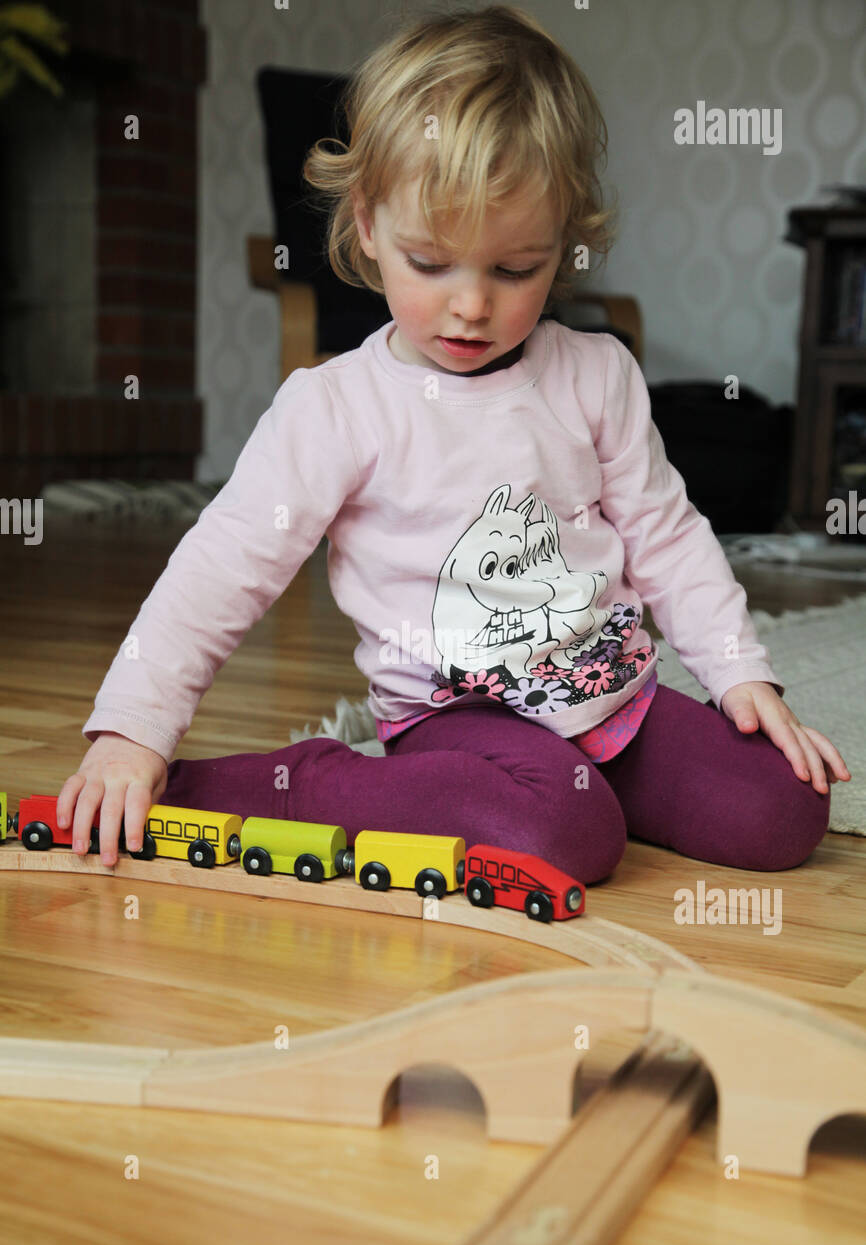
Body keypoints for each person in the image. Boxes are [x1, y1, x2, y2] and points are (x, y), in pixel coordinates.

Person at [58, 5, 848, 886]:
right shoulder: (335, 406)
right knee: (564, 831)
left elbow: (666, 536)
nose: (471, 305)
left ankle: (572, 788)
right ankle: (298, 786)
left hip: (611, 698)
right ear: (367, 226)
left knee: (788, 804)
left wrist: (743, 676)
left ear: (563, 249)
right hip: (457, 717)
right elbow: (222, 565)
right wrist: (132, 729)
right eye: (431, 262)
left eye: (515, 270)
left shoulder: (597, 374)